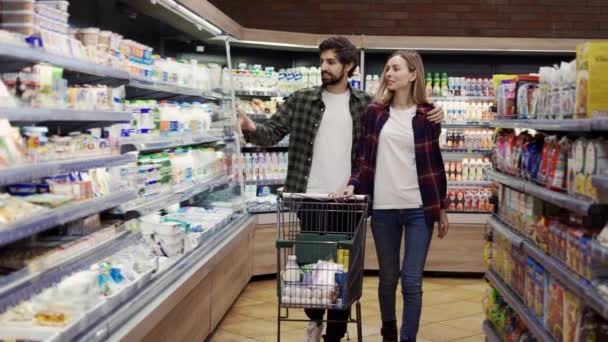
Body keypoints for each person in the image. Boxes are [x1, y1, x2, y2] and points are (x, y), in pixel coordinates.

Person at [239, 38, 444, 342]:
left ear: (349, 66)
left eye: (331, 62)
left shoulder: (365, 105)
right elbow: (272, 132)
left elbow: (409, 147)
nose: (324, 67)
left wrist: (436, 112)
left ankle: (335, 335)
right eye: (322, 61)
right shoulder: (302, 100)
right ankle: (314, 319)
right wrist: (251, 128)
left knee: (341, 275)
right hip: (309, 198)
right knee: (311, 271)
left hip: (349, 203)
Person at [338, 51, 449, 342]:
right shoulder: (375, 113)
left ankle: (407, 338)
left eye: (396, 68)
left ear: (413, 75)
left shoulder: (428, 116)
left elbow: (434, 165)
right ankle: (388, 330)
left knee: (411, 280)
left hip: (418, 208)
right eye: (387, 68)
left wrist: (442, 208)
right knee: (388, 278)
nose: (389, 73)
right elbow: (364, 158)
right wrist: (353, 183)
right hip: (384, 209)